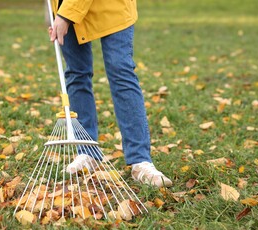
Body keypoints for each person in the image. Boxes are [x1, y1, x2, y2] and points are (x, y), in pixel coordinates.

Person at [48, 0, 172, 187]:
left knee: (120, 71)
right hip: (64, 5)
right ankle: (87, 152)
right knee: (76, 73)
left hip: (111, 6)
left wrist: (66, 15)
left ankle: (140, 160)